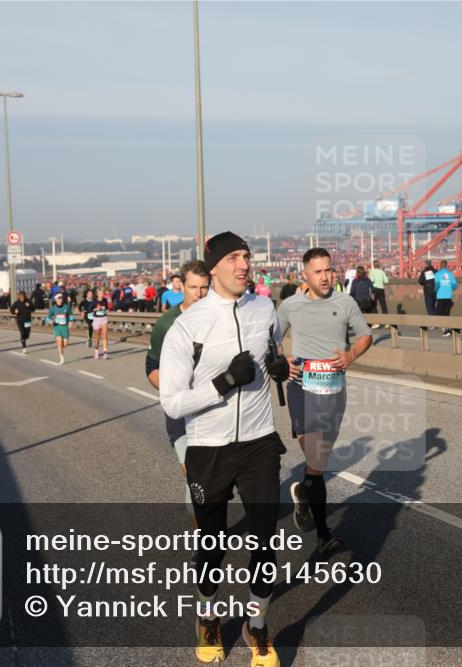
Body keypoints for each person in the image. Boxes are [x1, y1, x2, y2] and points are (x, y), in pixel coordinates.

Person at [158, 232, 289, 666]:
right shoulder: (187, 327)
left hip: (258, 442)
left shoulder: (264, 308)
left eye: (247, 257)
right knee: (212, 545)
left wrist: (278, 367)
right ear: (213, 267)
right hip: (208, 448)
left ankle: (256, 624)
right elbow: (172, 402)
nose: (244, 264)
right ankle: (208, 617)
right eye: (234, 257)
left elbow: (273, 352)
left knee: (265, 542)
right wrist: (222, 383)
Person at [280, 247, 373, 555]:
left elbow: (365, 335)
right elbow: (271, 338)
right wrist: (285, 359)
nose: (325, 276)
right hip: (302, 387)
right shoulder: (291, 305)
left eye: (328, 270)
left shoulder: (345, 302)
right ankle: (323, 535)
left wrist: (351, 355)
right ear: (305, 274)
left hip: (334, 390)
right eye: (317, 271)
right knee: (316, 456)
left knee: (317, 466)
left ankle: (304, 493)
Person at [145, 260, 211, 521]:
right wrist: (171, 387)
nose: (199, 294)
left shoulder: (219, 317)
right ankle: (206, 542)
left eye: (204, 287)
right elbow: (151, 366)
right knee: (195, 475)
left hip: (212, 410)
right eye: (193, 287)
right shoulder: (167, 323)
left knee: (208, 481)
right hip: (180, 413)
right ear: (181, 286)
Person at [45, 291, 74, 364]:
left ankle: (60, 348)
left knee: (65, 344)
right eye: (59, 298)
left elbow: (70, 314)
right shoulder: (53, 308)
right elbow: (47, 318)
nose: (60, 299)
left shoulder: (66, 307)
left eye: (61, 298)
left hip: (65, 328)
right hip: (57, 327)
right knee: (59, 342)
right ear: (56, 299)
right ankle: (61, 357)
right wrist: (50, 321)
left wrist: (71, 321)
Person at [434, 259, 457, 336]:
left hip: (440, 296)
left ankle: (445, 329)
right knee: (447, 313)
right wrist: (450, 288)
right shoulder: (450, 274)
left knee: (441, 313)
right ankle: (446, 328)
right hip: (448, 296)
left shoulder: (437, 274)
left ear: (440, 265)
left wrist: (435, 291)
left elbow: (437, 284)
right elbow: (455, 285)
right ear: (446, 265)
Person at [90, 288, 111, 360]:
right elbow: (90, 310)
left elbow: (107, 308)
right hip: (96, 320)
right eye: (100, 293)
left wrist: (106, 309)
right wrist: (96, 309)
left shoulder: (105, 300)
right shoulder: (94, 301)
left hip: (104, 318)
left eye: (103, 293)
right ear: (97, 294)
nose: (102, 294)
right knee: (97, 337)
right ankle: (96, 351)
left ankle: (105, 352)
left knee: (105, 336)